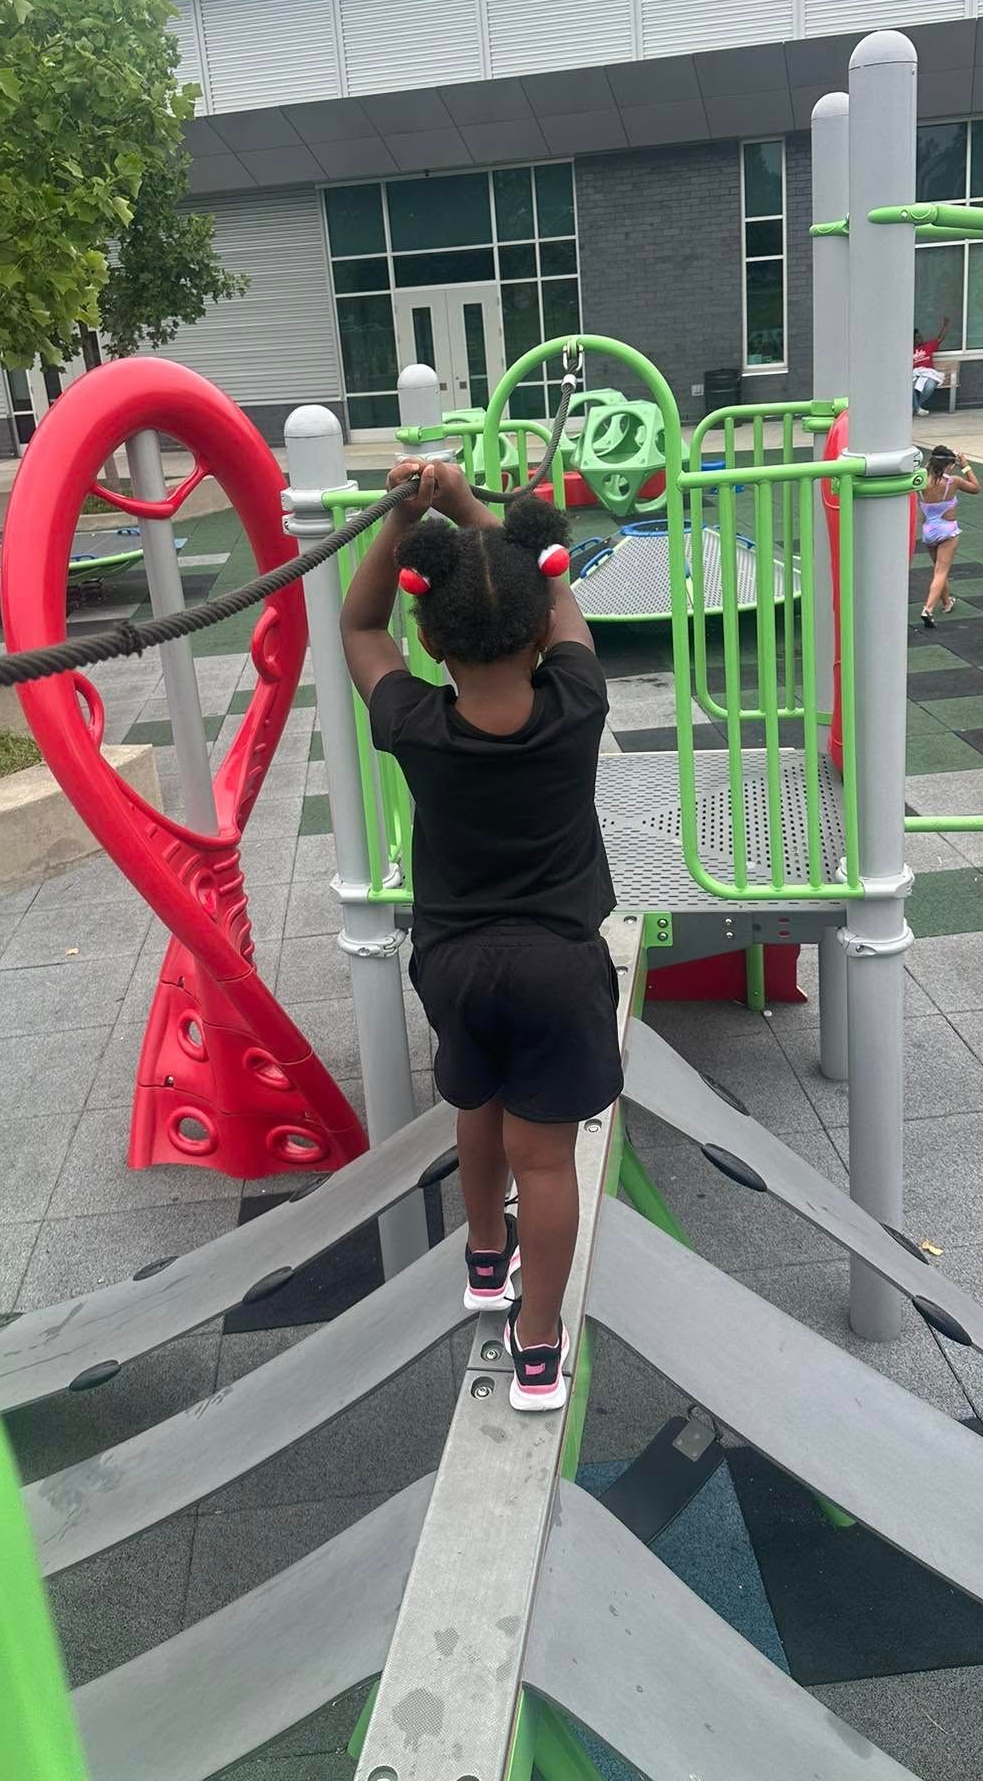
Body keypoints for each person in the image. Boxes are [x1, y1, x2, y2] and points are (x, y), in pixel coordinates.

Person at [340, 458, 619, 1413]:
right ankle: (535, 1350)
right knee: (545, 1158)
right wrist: (464, 503)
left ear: (428, 636)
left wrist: (402, 521)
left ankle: (482, 1261)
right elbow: (559, 593)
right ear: (541, 632)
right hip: (559, 965)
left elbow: (356, 626)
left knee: (475, 1095)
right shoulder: (578, 703)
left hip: (454, 965)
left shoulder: (416, 721)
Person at [919, 444, 980, 628]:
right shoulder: (953, 482)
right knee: (941, 571)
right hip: (947, 530)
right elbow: (976, 488)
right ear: (950, 465)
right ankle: (928, 609)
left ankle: (946, 603)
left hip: (929, 530)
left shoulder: (921, 480)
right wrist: (966, 466)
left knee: (938, 569)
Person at [912, 316, 950, 415]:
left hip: (928, 373)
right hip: (915, 374)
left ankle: (916, 407)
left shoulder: (928, 346)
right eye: (918, 337)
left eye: (921, 336)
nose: (920, 338)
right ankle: (917, 409)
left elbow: (940, 338)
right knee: (909, 386)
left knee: (930, 386)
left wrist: (945, 326)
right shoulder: (909, 350)